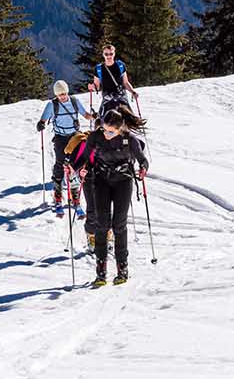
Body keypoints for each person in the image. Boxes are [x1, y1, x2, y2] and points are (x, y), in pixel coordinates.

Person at [69, 104, 149, 287]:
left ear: (120, 129)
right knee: (101, 224)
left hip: (123, 181)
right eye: (104, 129)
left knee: (119, 225)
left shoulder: (130, 140)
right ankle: (101, 272)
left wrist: (143, 169)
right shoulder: (96, 136)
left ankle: (122, 268)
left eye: (111, 132)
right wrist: (75, 168)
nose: (106, 134)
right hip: (101, 180)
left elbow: (142, 159)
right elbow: (83, 158)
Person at [36, 80, 93, 212]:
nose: (62, 96)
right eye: (59, 94)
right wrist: (41, 124)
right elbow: (43, 119)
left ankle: (75, 195)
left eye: (63, 93)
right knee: (61, 163)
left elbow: (85, 115)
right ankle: (57, 193)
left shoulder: (74, 101)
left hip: (75, 136)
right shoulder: (52, 105)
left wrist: (94, 117)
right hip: (60, 138)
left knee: (75, 165)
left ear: (67, 91)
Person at [88, 43, 137, 115]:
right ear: (103, 54)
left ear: (114, 54)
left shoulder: (120, 65)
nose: (109, 56)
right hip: (107, 95)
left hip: (121, 94)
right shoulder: (99, 68)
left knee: (130, 117)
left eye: (111, 54)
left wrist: (133, 92)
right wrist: (92, 87)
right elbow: (97, 87)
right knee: (100, 118)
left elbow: (125, 82)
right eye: (106, 54)